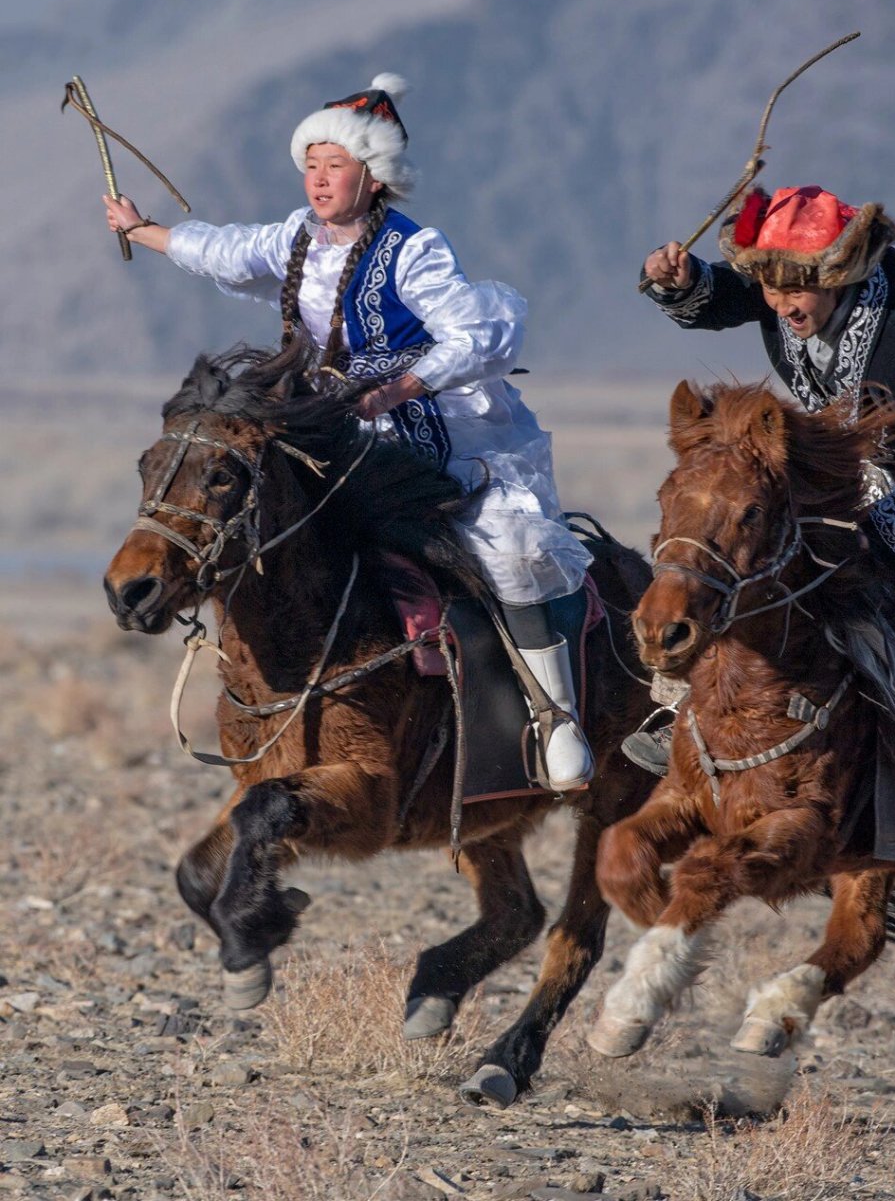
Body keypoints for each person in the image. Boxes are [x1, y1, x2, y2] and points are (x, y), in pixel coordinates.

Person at [103, 72, 594, 793]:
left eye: (335, 165)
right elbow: (227, 251)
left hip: (442, 434)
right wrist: (141, 229)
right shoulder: (296, 239)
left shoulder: (413, 250)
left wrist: (404, 383)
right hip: (344, 435)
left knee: (511, 554)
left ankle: (557, 718)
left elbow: (482, 329)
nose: (319, 179)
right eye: (311, 164)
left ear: (374, 175)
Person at [627, 182, 895, 845]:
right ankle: (693, 705)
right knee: (762, 546)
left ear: (841, 276)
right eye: (773, 292)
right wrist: (681, 279)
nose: (781, 306)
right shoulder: (790, 293)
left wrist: (883, 538)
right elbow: (728, 296)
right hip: (871, 464)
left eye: (795, 294)